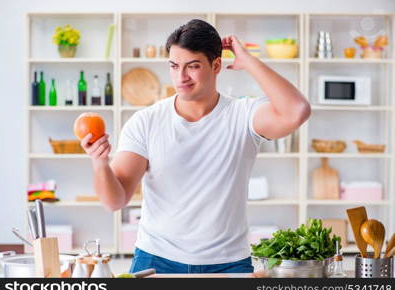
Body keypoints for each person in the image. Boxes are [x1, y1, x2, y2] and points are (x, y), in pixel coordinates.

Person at [81, 19, 310, 274]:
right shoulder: (146, 121)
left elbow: (297, 111)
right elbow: (115, 200)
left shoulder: (243, 115)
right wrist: (100, 163)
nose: (181, 77)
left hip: (229, 264)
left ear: (216, 65)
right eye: (174, 66)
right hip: (156, 261)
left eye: (193, 66)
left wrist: (248, 62)